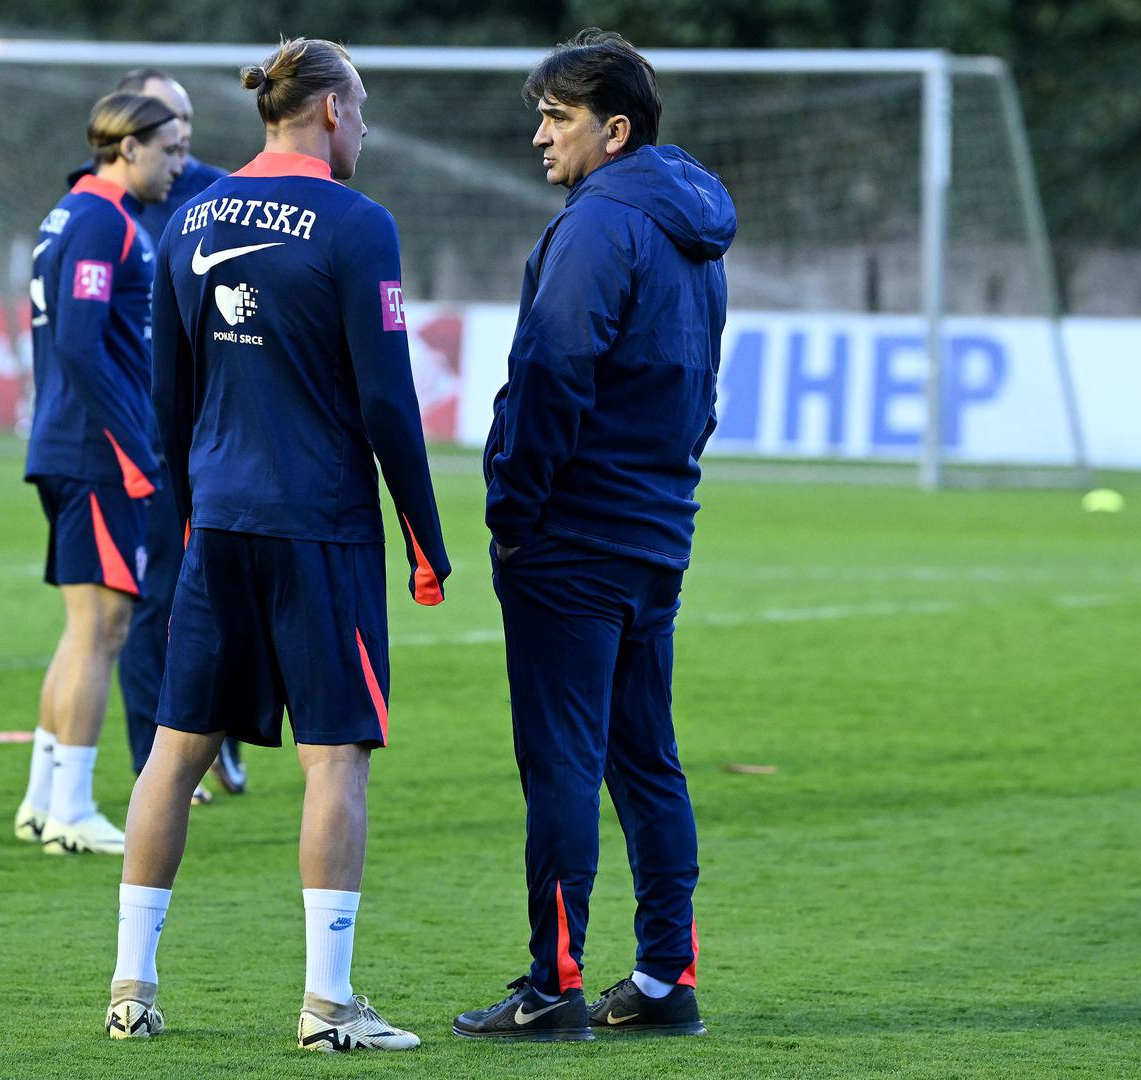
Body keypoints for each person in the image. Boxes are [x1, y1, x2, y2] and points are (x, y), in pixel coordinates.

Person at [104, 38, 450, 1052]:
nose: (366, 128)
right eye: (363, 108)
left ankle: (130, 990)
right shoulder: (357, 223)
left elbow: (167, 397)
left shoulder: (190, 217)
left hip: (217, 522)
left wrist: (187, 519)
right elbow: (388, 401)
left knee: (174, 750)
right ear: (331, 111)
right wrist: (424, 538)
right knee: (335, 757)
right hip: (320, 528)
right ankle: (328, 1005)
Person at [451, 29, 735, 1042]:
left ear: (614, 131)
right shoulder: (693, 231)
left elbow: (551, 373)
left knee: (564, 764)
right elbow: (701, 391)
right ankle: (664, 981)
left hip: (572, 537)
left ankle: (553, 987)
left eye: (556, 117)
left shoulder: (598, 225)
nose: (540, 136)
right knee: (646, 759)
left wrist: (513, 509)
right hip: (656, 531)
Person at [12, 91, 184, 856]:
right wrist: (133, 445)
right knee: (105, 630)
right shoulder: (101, 220)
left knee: (83, 628)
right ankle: (72, 812)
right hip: (95, 453)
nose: (178, 164)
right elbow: (81, 345)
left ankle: (42, 800)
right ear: (128, 147)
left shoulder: (71, 213)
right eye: (169, 150)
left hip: (69, 445)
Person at [79, 68, 249, 801]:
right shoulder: (103, 208)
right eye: (164, 124)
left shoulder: (220, 192)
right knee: (147, 602)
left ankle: (223, 732)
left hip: (220, 428)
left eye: (185, 122)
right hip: (142, 435)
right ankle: (155, 758)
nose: (180, 139)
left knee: (228, 585)